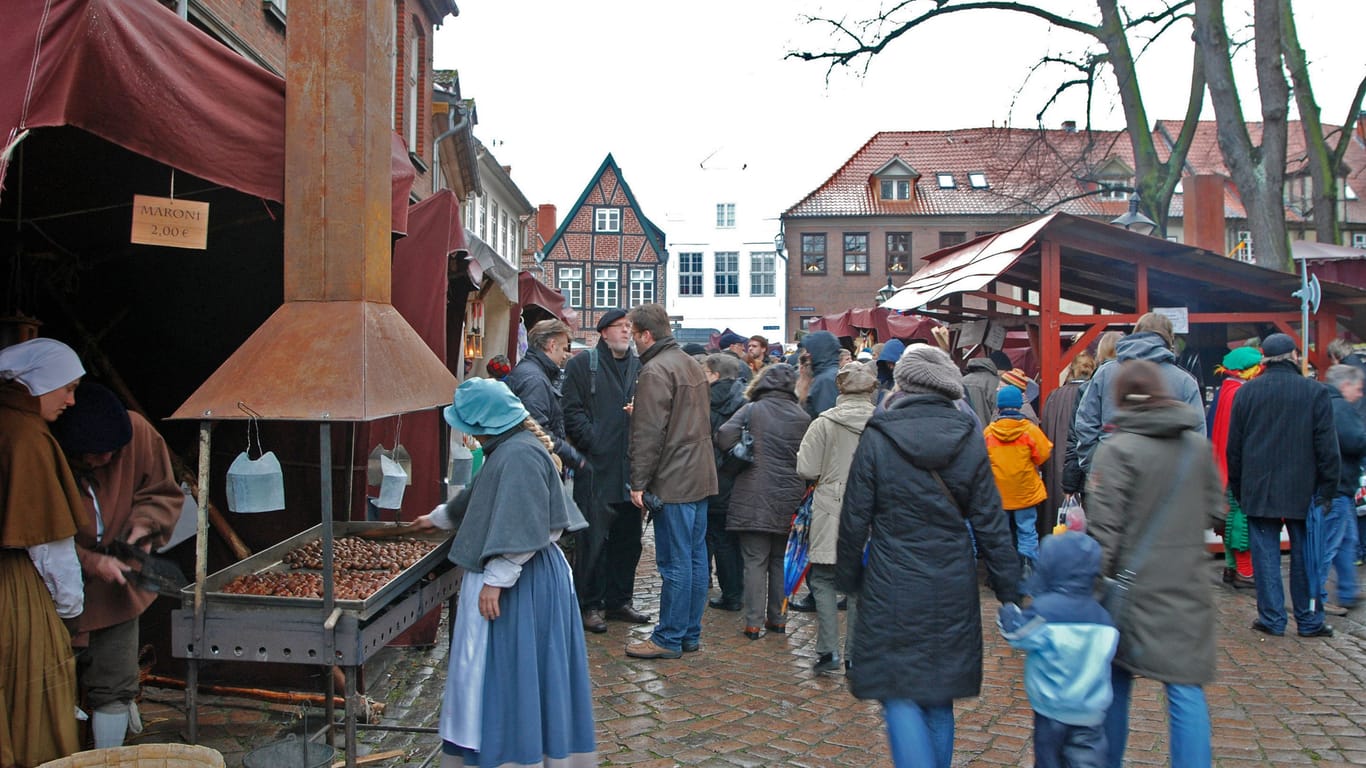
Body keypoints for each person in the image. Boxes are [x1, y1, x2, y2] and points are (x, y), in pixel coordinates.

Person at [837, 344, 1021, 768]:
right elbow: (991, 522)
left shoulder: (878, 435)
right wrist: (1010, 588)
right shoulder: (969, 437)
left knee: (898, 689)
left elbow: (854, 515)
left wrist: (848, 577)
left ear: (901, 382)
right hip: (951, 578)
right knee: (939, 695)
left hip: (890, 576)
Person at [410, 378, 595, 768]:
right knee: (507, 673)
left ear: (483, 424)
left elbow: (539, 526)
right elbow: (480, 497)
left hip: (524, 582)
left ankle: (514, 757)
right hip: (519, 575)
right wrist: (437, 518)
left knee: (513, 674)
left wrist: (496, 580)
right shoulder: (507, 448)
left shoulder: (520, 455)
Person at [1087, 359, 1222, 768]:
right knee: (1185, 688)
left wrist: (1090, 593)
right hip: (1187, 582)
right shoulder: (1198, 447)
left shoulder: (1117, 450)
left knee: (1115, 681)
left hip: (1131, 588)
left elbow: (1103, 534)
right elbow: (1217, 511)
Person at [51, 382, 183, 749]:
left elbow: (160, 490)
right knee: (47, 687)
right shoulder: (41, 451)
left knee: (116, 682)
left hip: (117, 591)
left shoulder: (136, 433)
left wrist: (144, 526)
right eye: (95, 455)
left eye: (113, 452)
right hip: (52, 586)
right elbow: (35, 538)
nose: (106, 460)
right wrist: (90, 561)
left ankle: (109, 757)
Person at [0, 337, 87, 767]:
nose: (71, 401)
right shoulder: (27, 436)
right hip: (14, 587)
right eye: (66, 388)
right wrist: (69, 609)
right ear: (37, 384)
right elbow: (49, 541)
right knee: (36, 693)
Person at [1227, 333, 1339, 638]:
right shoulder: (1315, 392)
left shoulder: (1247, 393)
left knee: (1265, 557)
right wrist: (1328, 489)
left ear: (1264, 359)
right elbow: (1327, 447)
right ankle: (1308, 620)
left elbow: (1233, 448)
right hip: (1303, 488)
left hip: (1258, 487)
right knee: (1305, 556)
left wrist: (1238, 488)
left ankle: (1273, 618)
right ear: (1293, 356)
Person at [624, 304, 718, 659]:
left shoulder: (655, 370)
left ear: (646, 335)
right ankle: (688, 633)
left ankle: (668, 638)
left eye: (634, 334)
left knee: (675, 562)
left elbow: (649, 435)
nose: (632, 340)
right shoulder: (690, 363)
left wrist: (638, 482)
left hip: (675, 479)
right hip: (699, 474)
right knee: (694, 559)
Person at [997, 532, 1118, 768]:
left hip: (1051, 710)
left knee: (1048, 760)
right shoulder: (1103, 617)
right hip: (1090, 713)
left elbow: (1018, 635)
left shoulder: (1045, 611)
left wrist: (1009, 612)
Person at [561, 309, 648, 634]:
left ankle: (619, 600)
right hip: (598, 469)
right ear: (604, 331)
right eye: (621, 327)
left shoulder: (639, 366)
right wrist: (594, 441)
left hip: (631, 469)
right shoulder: (583, 365)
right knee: (593, 541)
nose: (627, 332)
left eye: (630, 327)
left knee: (629, 540)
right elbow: (571, 411)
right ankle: (590, 604)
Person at [716, 364, 810, 640]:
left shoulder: (752, 409)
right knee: (780, 560)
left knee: (755, 561)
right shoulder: (803, 415)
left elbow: (723, 434)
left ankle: (753, 623)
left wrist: (742, 450)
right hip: (789, 495)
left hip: (753, 493)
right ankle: (778, 619)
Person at [796, 362, 876, 672]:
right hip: (871, 509)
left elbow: (806, 469)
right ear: (871, 388)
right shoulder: (883, 423)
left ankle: (827, 652)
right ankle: (855, 655)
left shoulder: (823, 423)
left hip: (830, 506)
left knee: (824, 579)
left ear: (840, 387)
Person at [1074, 313, 1205, 475]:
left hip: (1113, 472)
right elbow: (1197, 437)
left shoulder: (1105, 373)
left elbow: (1085, 424)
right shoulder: (1185, 381)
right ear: (1169, 339)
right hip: (1166, 478)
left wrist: (1095, 467)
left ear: (1136, 333)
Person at [1206, 346, 1263, 589]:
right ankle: (1245, 571)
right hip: (1238, 467)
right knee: (1241, 518)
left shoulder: (1225, 390)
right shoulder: (1240, 393)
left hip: (1223, 465)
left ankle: (1231, 567)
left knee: (1230, 517)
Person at [984, 386, 1053, 575]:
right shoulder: (1029, 430)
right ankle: (1029, 568)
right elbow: (1043, 454)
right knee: (1027, 531)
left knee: (1002, 534)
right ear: (1019, 406)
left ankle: (1004, 571)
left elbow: (983, 460)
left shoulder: (989, 432)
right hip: (1025, 491)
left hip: (999, 494)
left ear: (999, 407)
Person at [504, 318, 583, 470]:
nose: (565, 355)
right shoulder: (534, 380)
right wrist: (573, 456)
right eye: (564, 349)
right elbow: (537, 430)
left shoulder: (531, 372)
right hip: (532, 465)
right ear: (552, 346)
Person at [703, 353, 748, 612]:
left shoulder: (705, 400)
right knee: (735, 540)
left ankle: (731, 594)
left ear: (715, 375)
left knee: (719, 537)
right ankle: (737, 590)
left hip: (713, 476)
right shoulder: (746, 400)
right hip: (739, 476)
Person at [1322, 364, 1366, 613]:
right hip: (1337, 487)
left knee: (1346, 540)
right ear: (1345, 385)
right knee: (1331, 544)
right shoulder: (1341, 408)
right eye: (1358, 389)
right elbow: (1355, 440)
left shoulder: (1326, 403)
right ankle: (1320, 598)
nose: (1360, 394)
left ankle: (1348, 589)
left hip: (1337, 487)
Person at [1041, 353, 1095, 529]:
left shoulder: (1054, 396)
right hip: (1085, 467)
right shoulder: (1092, 396)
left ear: (1071, 371)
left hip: (1057, 467)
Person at [800, 330, 842, 420]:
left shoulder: (825, 380)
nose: (806, 354)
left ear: (818, 350)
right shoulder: (831, 375)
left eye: (808, 350)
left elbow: (825, 419)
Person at [961, 355, 999, 427]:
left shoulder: (961, 381)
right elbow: (997, 411)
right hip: (987, 433)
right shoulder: (994, 382)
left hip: (965, 431)